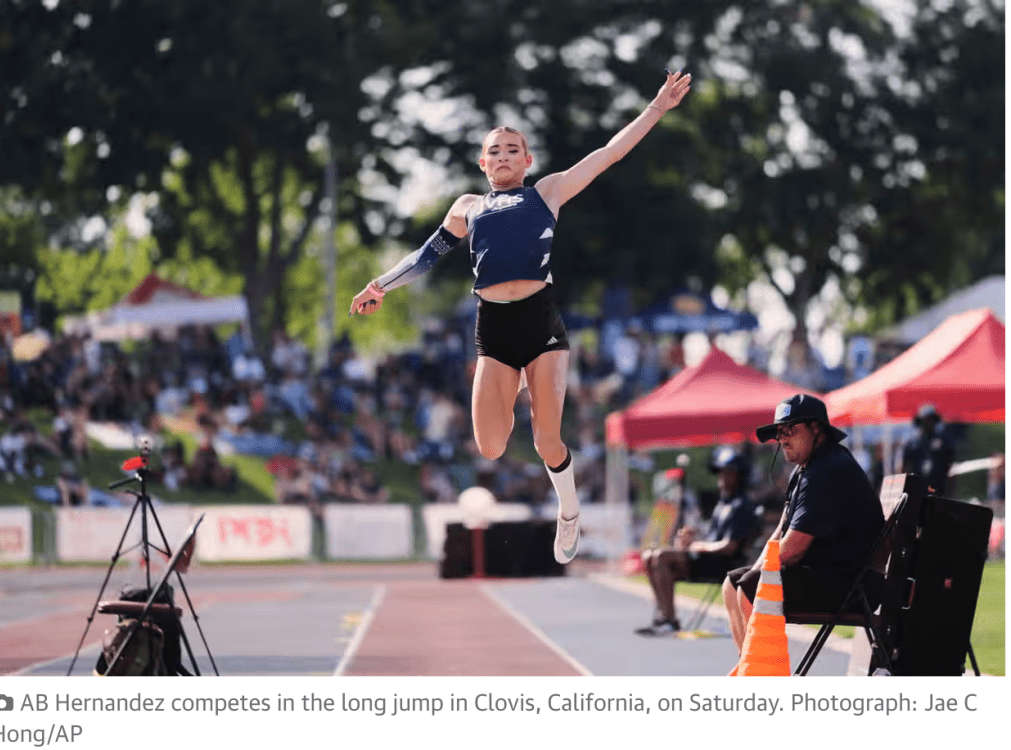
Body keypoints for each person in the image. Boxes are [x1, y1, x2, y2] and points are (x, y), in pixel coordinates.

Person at [351, 70, 692, 563]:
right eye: (495, 150)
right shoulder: (467, 207)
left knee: (546, 438)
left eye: (513, 149)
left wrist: (656, 108)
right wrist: (380, 285)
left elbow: (609, 154)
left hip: (540, 322)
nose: (504, 156)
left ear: (527, 160)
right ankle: (510, 392)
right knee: (490, 445)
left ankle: (568, 510)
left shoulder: (547, 192)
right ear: (482, 162)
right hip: (493, 328)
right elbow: (426, 256)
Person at [722, 394, 884, 653]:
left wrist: (757, 573)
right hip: (828, 576)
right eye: (779, 433)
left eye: (790, 430)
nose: (782, 439)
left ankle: (764, 673)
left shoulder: (828, 468)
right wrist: (756, 568)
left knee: (751, 587)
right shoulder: (807, 468)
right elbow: (780, 533)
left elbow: (793, 548)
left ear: (816, 429)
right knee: (732, 585)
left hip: (851, 584)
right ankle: (749, 669)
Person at [635, 446, 758, 635]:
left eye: (727, 473)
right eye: (720, 472)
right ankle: (663, 615)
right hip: (706, 559)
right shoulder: (723, 503)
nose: (721, 477)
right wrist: (692, 539)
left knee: (662, 557)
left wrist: (699, 546)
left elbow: (730, 547)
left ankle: (670, 619)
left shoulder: (741, 505)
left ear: (739, 476)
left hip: (723, 564)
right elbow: (711, 538)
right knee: (648, 557)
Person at [899, 403, 955, 496]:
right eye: (926, 419)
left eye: (931, 419)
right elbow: (903, 468)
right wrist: (904, 489)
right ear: (920, 421)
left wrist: (951, 492)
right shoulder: (912, 443)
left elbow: (951, 468)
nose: (928, 422)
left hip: (938, 490)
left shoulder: (943, 442)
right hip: (917, 491)